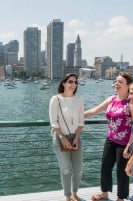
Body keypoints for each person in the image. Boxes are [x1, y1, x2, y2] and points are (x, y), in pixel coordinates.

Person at [84, 72, 133, 201]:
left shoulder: (131, 102)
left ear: (128, 85)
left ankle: (121, 198)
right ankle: (104, 193)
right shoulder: (111, 99)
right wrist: (78, 115)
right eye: (116, 81)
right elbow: (94, 111)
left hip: (125, 142)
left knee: (121, 170)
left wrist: (129, 145)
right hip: (111, 139)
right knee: (105, 166)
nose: (116, 84)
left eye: (120, 82)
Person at [49, 73, 84, 201]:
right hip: (60, 137)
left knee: (79, 169)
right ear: (63, 83)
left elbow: (81, 122)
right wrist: (62, 138)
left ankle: (75, 193)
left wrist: (76, 137)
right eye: (70, 82)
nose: (73, 85)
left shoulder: (79, 99)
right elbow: (54, 122)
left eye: (75, 82)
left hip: (75, 137)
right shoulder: (56, 99)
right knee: (66, 170)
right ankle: (68, 196)